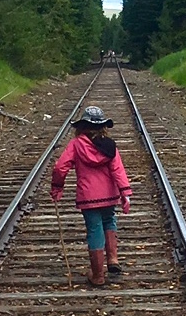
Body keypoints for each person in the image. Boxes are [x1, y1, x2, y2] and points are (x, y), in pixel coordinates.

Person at [50, 106, 133, 286]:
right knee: (109, 221)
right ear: (103, 126)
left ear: (82, 126)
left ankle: (98, 275)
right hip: (109, 196)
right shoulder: (110, 146)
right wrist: (125, 193)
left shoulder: (76, 144)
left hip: (88, 196)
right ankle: (112, 259)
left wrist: (57, 187)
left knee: (95, 229)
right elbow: (118, 170)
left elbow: (60, 167)